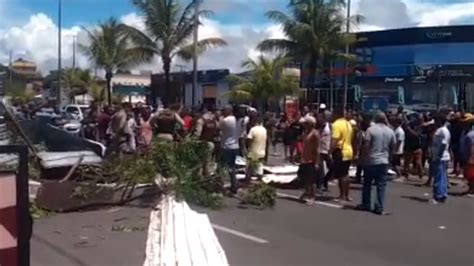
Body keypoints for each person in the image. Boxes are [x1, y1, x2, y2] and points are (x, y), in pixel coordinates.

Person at [356, 112, 396, 215]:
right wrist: (390, 159)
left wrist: (363, 158)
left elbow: (366, 145)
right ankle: (379, 206)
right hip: (383, 160)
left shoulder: (371, 130)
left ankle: (366, 204)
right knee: (381, 185)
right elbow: (393, 147)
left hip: (371, 160)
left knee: (367, 184)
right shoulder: (390, 131)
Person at [330, 108, 354, 202]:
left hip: (340, 150)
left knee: (341, 174)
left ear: (336, 114)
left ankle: (342, 195)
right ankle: (346, 195)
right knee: (346, 174)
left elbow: (335, 140)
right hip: (349, 149)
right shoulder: (348, 124)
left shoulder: (336, 124)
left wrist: (330, 150)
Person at [429, 110, 451, 205]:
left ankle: (437, 196)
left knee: (438, 177)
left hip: (441, 157)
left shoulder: (443, 131)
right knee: (442, 177)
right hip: (439, 156)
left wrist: (438, 155)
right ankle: (442, 194)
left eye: (436, 120)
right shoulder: (440, 130)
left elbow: (443, 144)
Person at [298, 115, 320, 205]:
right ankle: (307, 192)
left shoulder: (315, 134)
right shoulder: (305, 133)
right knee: (303, 176)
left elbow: (317, 149)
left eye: (306, 123)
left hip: (311, 159)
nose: (305, 125)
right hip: (304, 159)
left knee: (312, 180)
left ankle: (312, 197)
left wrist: (317, 162)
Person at [219, 105, 240, 194]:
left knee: (222, 167)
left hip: (226, 146)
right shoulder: (236, 120)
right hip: (235, 146)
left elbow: (219, 128)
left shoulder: (225, 121)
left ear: (228, 111)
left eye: (223, 110)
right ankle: (234, 185)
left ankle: (221, 186)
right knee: (232, 167)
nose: (222, 112)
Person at [246, 115, 267, 183]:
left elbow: (249, 139)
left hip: (253, 151)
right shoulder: (264, 129)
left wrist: (247, 147)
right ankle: (260, 180)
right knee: (260, 166)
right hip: (262, 151)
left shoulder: (253, 129)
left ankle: (248, 181)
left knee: (249, 167)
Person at [316, 112, 331, 192]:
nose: (319, 119)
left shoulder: (329, 126)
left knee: (332, 167)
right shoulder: (317, 126)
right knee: (320, 169)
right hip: (320, 149)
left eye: (320, 117)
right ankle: (320, 186)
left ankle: (325, 180)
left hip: (328, 149)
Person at [461, 115, 474, 197]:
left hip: (471, 157)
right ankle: (470, 189)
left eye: (465, 123)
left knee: (472, 175)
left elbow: (473, 146)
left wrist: (471, 157)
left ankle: (473, 190)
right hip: (465, 156)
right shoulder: (465, 132)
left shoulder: (471, 134)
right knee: (467, 174)